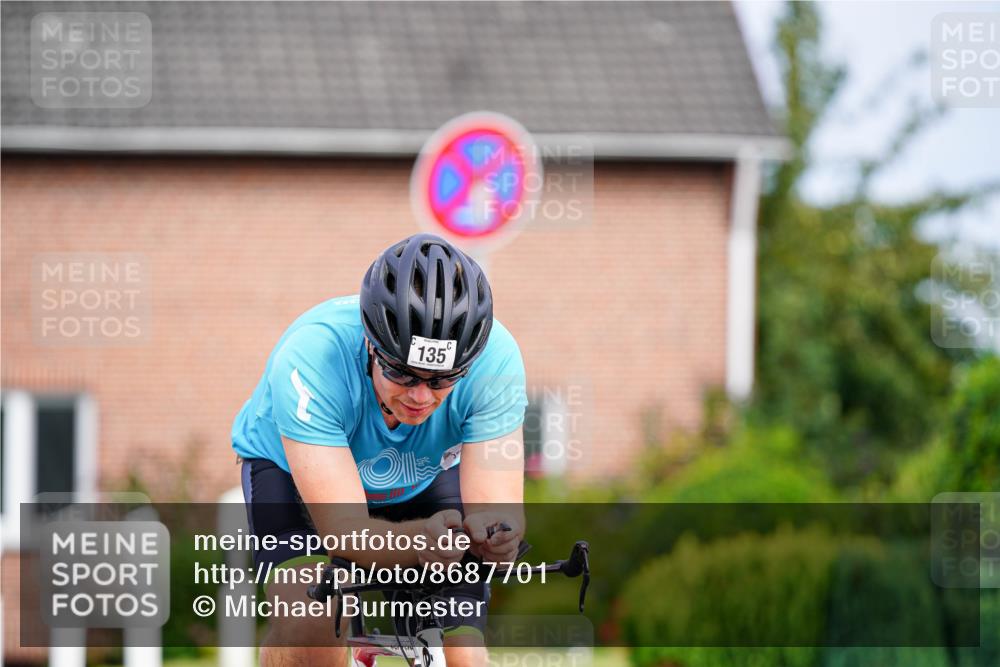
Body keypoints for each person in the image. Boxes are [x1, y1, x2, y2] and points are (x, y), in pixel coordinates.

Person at [232, 233, 528, 667]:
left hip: (425, 470)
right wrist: (420, 542)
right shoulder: (313, 356)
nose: (421, 397)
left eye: (442, 380)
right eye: (402, 374)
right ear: (371, 344)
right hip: (293, 470)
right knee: (310, 627)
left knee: (463, 653)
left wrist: (497, 536)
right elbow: (343, 529)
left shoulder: (496, 362)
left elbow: (499, 509)